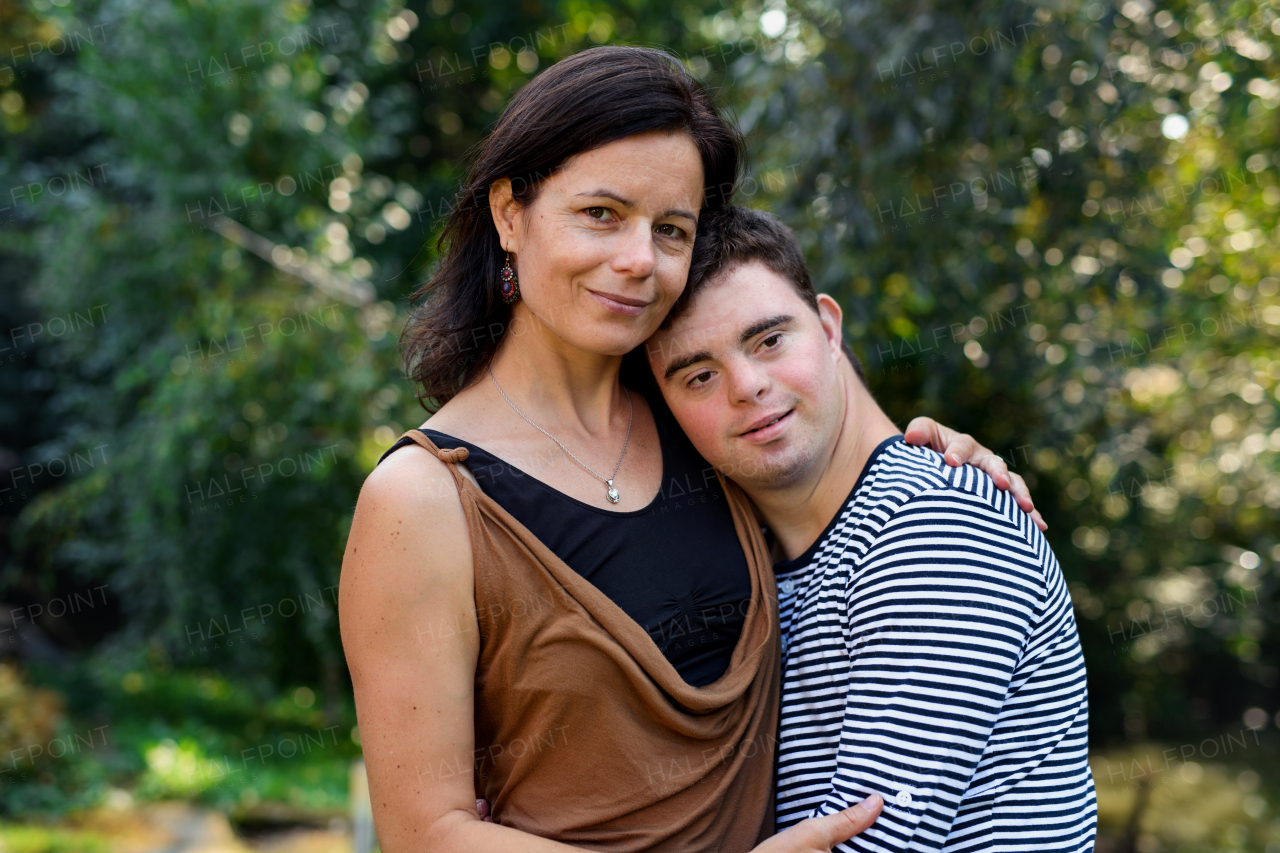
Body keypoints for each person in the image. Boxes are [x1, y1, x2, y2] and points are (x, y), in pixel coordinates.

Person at [339, 46, 1037, 853]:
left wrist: (933, 459)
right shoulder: (424, 501)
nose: (640, 260)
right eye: (601, 213)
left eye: (671, 229)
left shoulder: (707, 424)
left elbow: (857, 511)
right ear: (509, 212)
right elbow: (423, 832)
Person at [646, 205, 1097, 852]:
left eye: (769, 340)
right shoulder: (754, 556)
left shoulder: (934, 526)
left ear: (828, 327)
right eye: (699, 374)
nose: (746, 385)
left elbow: (865, 842)